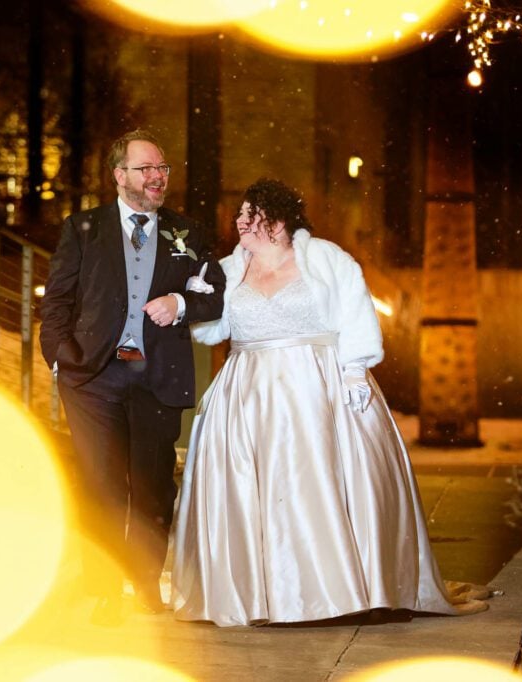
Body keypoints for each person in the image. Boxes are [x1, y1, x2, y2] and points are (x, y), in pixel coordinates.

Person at [170, 178, 488, 626]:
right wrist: (200, 300)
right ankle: (263, 594)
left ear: (277, 222)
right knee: (257, 491)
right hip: (248, 393)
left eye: (249, 214)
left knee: (320, 483)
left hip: (320, 386)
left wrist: (355, 369)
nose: (239, 221)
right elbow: (211, 332)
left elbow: (355, 312)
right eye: (239, 214)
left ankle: (342, 590)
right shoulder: (226, 268)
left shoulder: (325, 259)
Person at [39, 129, 225, 626]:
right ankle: (102, 590)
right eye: (145, 169)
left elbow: (215, 296)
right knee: (101, 484)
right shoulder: (82, 228)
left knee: (151, 486)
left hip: (157, 378)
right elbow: (56, 300)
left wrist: (181, 302)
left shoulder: (188, 232)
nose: (157, 177)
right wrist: (58, 356)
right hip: (92, 378)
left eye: (161, 168)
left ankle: (145, 584)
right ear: (119, 176)